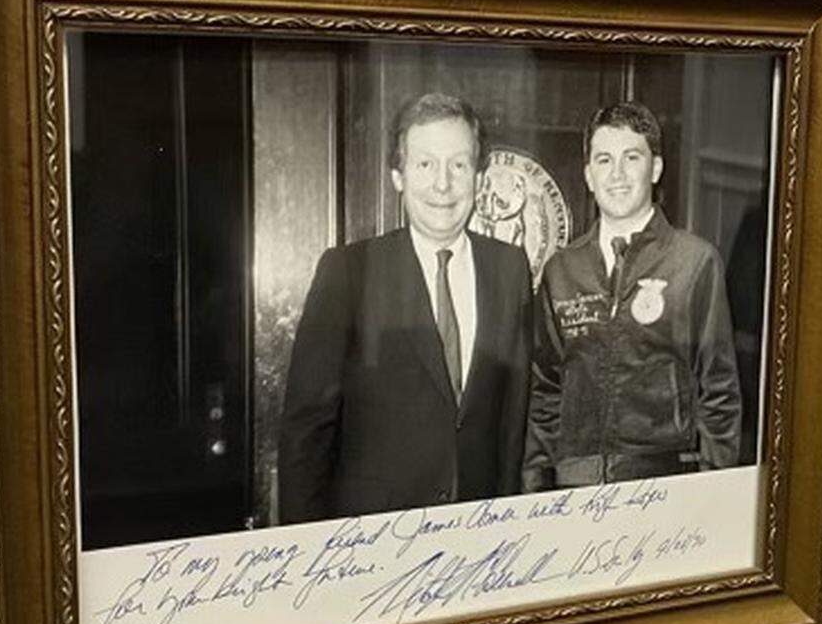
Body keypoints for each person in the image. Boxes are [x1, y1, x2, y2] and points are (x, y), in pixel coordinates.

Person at [279, 93, 532, 523]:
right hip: (373, 542)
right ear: (398, 175)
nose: (442, 184)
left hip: (481, 540)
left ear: (479, 176)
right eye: (425, 165)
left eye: (458, 165)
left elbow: (513, 422)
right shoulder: (347, 272)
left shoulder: (510, 269)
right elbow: (306, 431)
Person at [523, 101, 741, 490]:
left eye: (632, 157)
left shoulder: (694, 263)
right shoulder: (561, 269)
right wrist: (535, 490)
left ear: (655, 168)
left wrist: (713, 497)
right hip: (575, 488)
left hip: (664, 484)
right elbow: (545, 393)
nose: (617, 174)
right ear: (589, 175)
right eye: (604, 160)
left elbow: (720, 395)